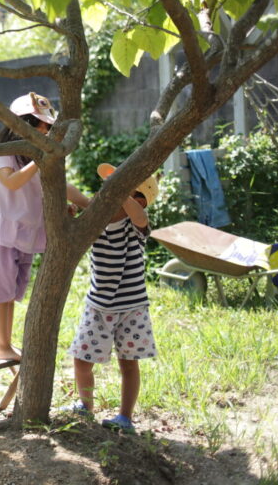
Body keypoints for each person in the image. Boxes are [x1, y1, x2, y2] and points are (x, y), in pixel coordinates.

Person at [0, 92, 89, 362]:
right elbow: (13, 183)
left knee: (11, 293)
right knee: (0, 294)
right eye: (37, 124)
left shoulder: (40, 158)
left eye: (47, 126)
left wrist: (87, 204)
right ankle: (2, 345)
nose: (44, 130)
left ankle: (7, 343)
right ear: (19, 125)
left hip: (24, 235)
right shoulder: (3, 154)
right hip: (0, 233)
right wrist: (38, 161)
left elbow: (59, 188)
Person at [64, 163, 159, 434]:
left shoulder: (136, 224)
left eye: (123, 193)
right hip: (99, 305)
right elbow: (74, 195)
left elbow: (140, 216)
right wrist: (71, 211)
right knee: (81, 360)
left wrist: (120, 193)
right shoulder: (96, 218)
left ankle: (125, 417)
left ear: (138, 200)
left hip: (132, 308)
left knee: (128, 363)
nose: (108, 196)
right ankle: (85, 405)